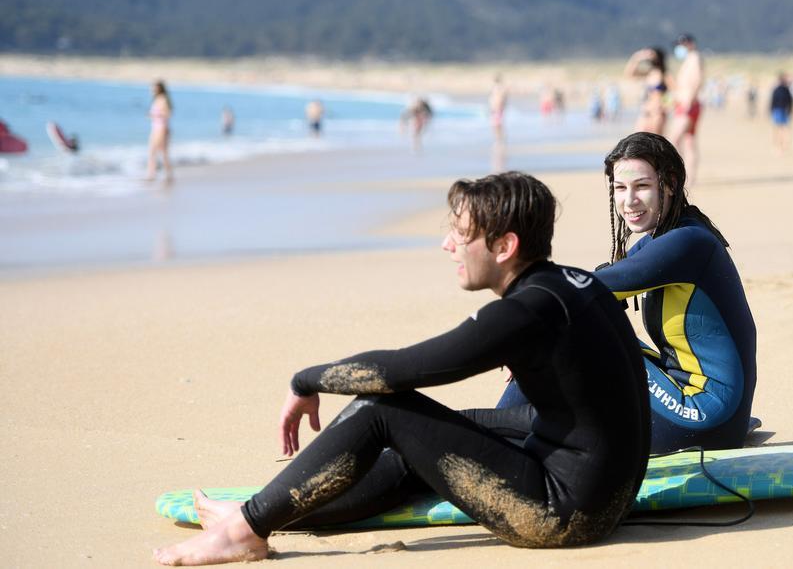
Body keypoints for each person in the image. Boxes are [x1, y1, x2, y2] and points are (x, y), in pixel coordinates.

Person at [153, 172, 651, 565]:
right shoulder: (575, 284)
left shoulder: (525, 312)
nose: (448, 246)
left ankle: (247, 531)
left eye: (461, 235)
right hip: (602, 493)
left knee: (380, 409)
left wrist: (305, 380)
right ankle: (256, 513)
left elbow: (401, 371)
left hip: (563, 512)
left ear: (505, 247)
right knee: (438, 430)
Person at [498, 133, 756, 453]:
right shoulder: (666, 239)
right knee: (571, 327)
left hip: (703, 415)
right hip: (695, 404)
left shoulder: (687, 242)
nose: (629, 200)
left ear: (670, 183)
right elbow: (585, 291)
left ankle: (498, 435)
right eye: (620, 188)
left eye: (642, 186)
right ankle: (509, 428)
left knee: (562, 334)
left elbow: (578, 288)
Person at [666, 34, 704, 185]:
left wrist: (688, 102)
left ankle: (678, 173)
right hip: (686, 104)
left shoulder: (694, 58)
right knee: (689, 141)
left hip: (688, 105)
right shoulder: (689, 59)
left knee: (675, 140)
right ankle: (690, 176)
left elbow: (696, 81)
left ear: (688, 43)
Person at [623, 47, 668, 134]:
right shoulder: (649, 73)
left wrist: (665, 105)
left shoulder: (664, 74)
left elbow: (674, 92)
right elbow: (629, 74)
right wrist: (637, 57)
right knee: (638, 138)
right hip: (646, 111)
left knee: (655, 141)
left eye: (652, 54)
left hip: (657, 112)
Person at [146, 80, 173, 182]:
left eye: (154, 87)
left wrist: (155, 115)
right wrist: (152, 115)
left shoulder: (163, 99)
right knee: (162, 153)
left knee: (154, 152)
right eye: (152, 88)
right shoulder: (156, 99)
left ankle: (151, 175)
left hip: (161, 128)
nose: (152, 89)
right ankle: (167, 175)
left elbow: (168, 114)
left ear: (159, 88)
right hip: (156, 128)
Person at [769, 72, 793, 154]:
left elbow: (772, 101)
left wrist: (771, 110)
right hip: (783, 110)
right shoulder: (786, 89)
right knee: (784, 129)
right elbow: (790, 101)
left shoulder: (777, 89)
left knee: (780, 129)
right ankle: (783, 145)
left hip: (778, 111)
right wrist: (790, 110)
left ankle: (781, 146)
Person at [488, 74, 508, 143]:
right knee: (496, 124)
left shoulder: (498, 88)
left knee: (497, 124)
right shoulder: (497, 87)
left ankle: (499, 139)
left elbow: (501, 98)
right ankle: (498, 138)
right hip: (496, 107)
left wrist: (500, 105)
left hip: (497, 107)